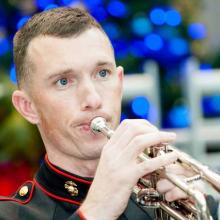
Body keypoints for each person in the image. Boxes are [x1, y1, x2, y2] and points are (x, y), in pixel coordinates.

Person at [0, 7, 218, 220]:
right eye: (63, 81)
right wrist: (96, 211)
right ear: (27, 107)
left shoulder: (174, 198)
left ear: (120, 83)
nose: (93, 100)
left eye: (102, 73)